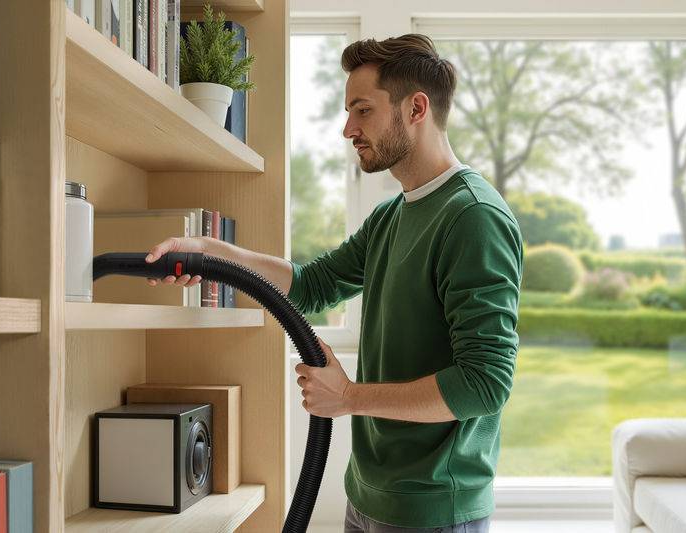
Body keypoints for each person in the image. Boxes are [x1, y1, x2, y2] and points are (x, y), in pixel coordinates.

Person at [145, 33, 523, 533]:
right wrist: (215, 253)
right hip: (369, 496)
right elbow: (312, 285)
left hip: (432, 508)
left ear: (415, 108)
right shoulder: (392, 215)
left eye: (363, 110)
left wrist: (349, 397)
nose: (348, 128)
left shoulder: (473, 217)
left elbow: (486, 383)